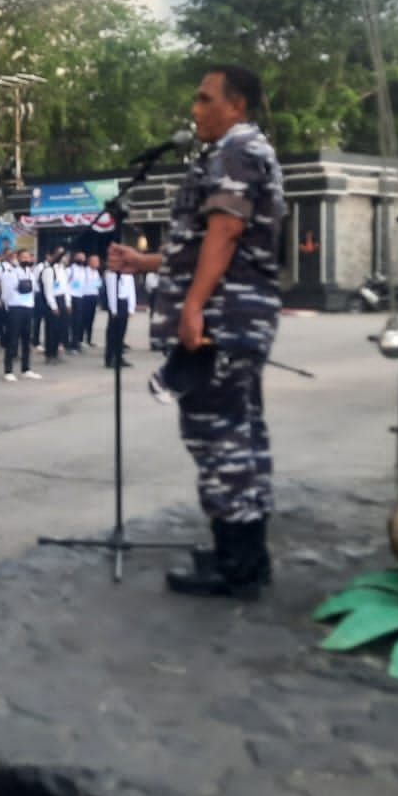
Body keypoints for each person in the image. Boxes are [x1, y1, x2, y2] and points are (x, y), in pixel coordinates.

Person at [108, 65, 285, 599]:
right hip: (236, 317)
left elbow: (226, 232)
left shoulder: (236, 152)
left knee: (218, 440)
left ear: (236, 106)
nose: (196, 109)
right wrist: (145, 264)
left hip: (221, 322)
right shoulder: (243, 151)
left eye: (206, 100)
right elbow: (208, 242)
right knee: (242, 436)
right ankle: (245, 554)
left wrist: (193, 307)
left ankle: (236, 567)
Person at [0, 248, 41, 383]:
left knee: (27, 340)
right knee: (12, 340)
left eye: (28, 257)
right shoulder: (10, 273)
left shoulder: (31, 274)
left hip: (28, 308)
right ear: (18, 258)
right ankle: (8, 370)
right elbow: (6, 293)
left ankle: (26, 368)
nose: (26, 260)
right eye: (24, 257)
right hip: (15, 308)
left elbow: (34, 290)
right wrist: (10, 305)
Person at [103, 262, 137, 369]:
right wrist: (113, 310)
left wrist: (131, 307)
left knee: (122, 331)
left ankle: (119, 356)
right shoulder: (111, 274)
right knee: (112, 332)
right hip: (115, 303)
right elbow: (111, 292)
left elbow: (131, 290)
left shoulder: (128, 274)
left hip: (124, 302)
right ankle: (110, 357)